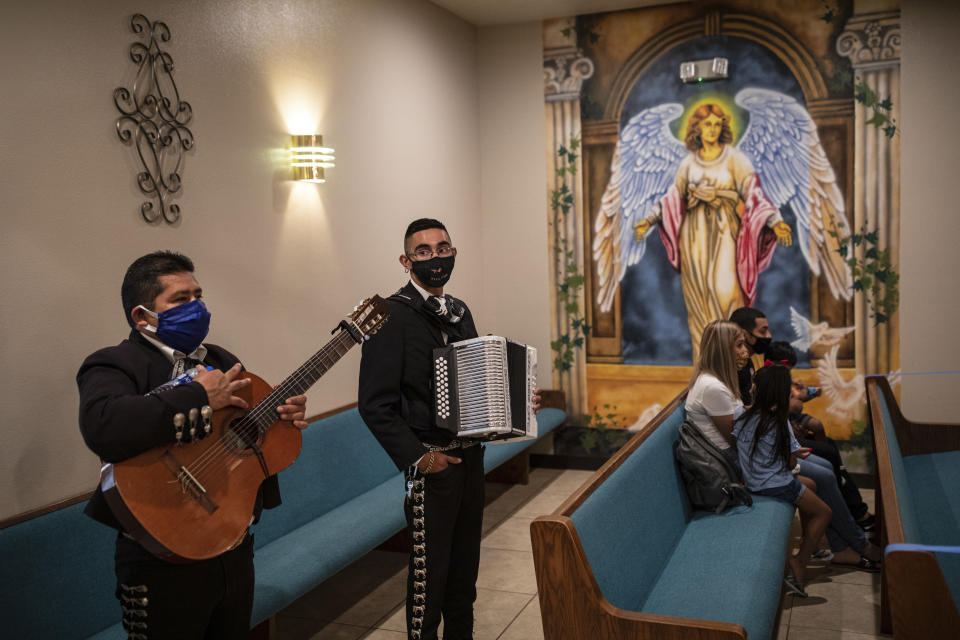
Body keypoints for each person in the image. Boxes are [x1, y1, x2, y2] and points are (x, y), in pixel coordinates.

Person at [78, 251, 309, 639]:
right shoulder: (113, 363)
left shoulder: (222, 359)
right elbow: (103, 426)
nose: (196, 307)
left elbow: (245, 435)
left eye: (198, 296)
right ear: (141, 316)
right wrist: (196, 396)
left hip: (232, 546)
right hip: (161, 557)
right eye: (180, 300)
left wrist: (283, 417)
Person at [358, 219, 540, 640]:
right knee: (429, 583)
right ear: (406, 261)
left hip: (471, 460)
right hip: (431, 466)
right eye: (423, 251)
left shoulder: (460, 311)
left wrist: (518, 403)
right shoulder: (390, 316)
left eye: (443, 248)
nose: (435, 257)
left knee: (464, 573)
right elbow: (375, 405)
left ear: (453, 253)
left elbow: (475, 385)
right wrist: (422, 459)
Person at [632, 104, 792, 357]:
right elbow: (673, 199)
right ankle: (705, 368)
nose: (712, 129)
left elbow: (753, 193)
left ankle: (736, 366)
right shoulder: (688, 163)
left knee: (727, 294)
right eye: (707, 124)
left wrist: (775, 221)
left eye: (717, 124)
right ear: (697, 127)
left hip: (725, 232)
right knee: (699, 305)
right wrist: (649, 220)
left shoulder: (734, 158)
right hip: (694, 237)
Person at [733, 364, 831, 595]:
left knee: (812, 485)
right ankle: (801, 560)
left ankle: (809, 540)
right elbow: (788, 465)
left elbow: (747, 446)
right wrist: (796, 453)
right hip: (775, 484)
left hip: (754, 481)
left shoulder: (740, 413)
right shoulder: (779, 421)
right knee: (824, 512)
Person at [767, 340, 876, 534]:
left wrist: (801, 397)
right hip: (783, 441)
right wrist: (796, 403)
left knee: (830, 450)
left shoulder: (782, 380)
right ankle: (854, 514)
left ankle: (855, 508)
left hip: (789, 432)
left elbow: (793, 404)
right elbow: (791, 407)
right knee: (828, 457)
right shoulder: (768, 381)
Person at [684, 320, 749, 467]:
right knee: (809, 481)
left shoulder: (718, 380)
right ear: (723, 349)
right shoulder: (713, 387)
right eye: (739, 345)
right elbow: (734, 440)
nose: (745, 350)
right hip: (727, 458)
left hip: (734, 452)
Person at [730, 306, 773, 405]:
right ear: (744, 335)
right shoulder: (733, 367)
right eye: (763, 331)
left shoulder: (747, 362)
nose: (769, 336)